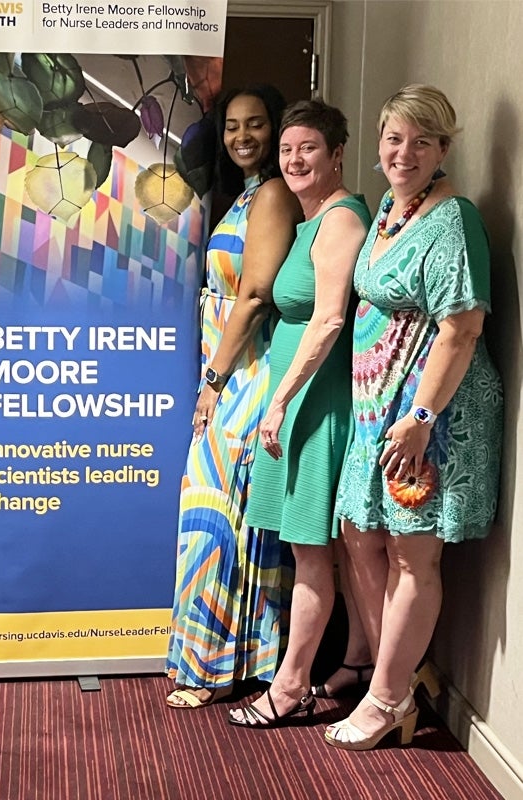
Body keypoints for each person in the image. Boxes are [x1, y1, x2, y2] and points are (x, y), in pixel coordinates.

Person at [328, 85, 502, 750]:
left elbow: (461, 329)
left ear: (443, 151)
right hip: (379, 409)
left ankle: (387, 701)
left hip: (433, 414)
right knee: (359, 534)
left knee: (409, 554)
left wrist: (422, 415)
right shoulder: (389, 213)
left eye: (421, 141)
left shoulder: (452, 220)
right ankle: (398, 673)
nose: (405, 152)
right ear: (379, 144)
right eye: (396, 138)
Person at [228, 100, 372, 728]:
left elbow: (330, 318)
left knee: (310, 548)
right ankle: (359, 662)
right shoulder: (312, 219)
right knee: (324, 547)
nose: (294, 160)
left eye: (308, 148)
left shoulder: (340, 218)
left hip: (317, 400)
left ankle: (291, 686)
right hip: (299, 395)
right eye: (287, 150)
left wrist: (281, 400)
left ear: (337, 154)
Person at [165, 86, 302, 709]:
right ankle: (239, 660)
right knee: (225, 519)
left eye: (256, 125)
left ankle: (213, 667)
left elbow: (253, 295)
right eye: (232, 127)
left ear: (276, 131)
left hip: (247, 376)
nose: (242, 136)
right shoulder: (246, 194)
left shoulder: (273, 194)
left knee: (218, 519)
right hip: (229, 367)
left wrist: (214, 383)